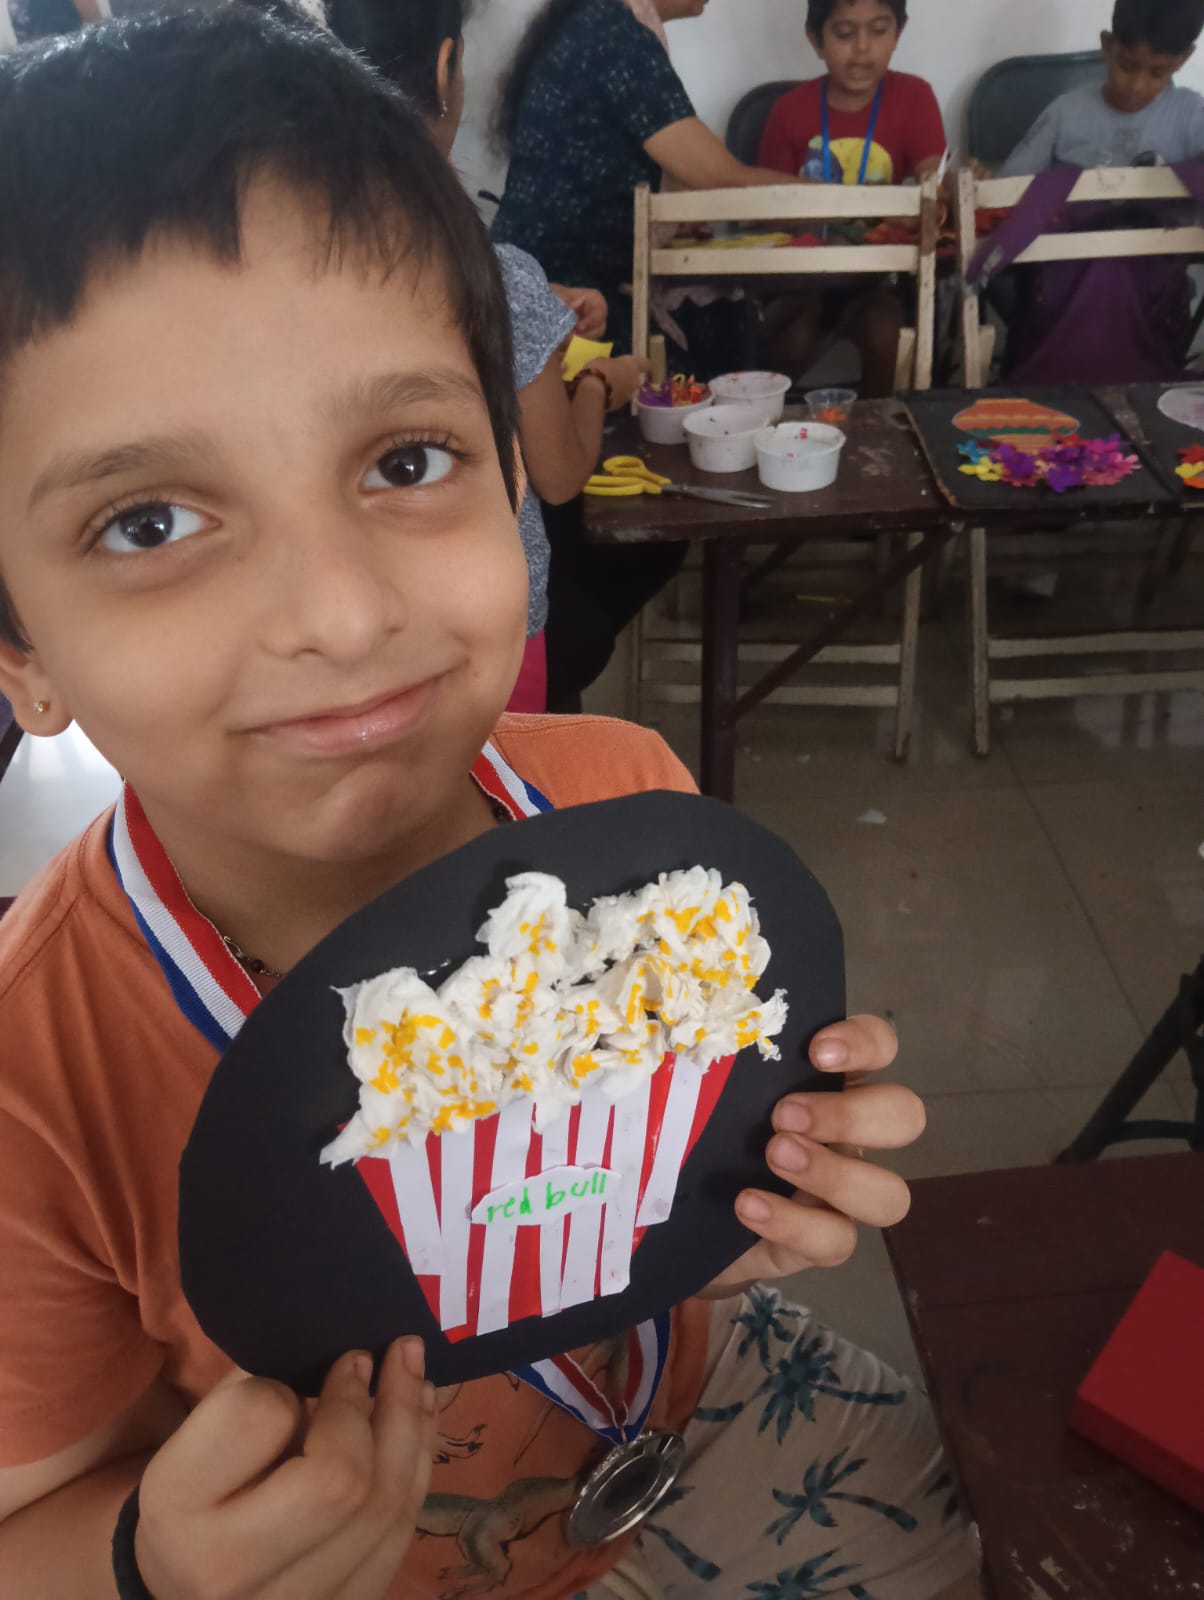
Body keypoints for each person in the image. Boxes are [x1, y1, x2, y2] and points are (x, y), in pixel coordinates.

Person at [0, 15, 979, 1600]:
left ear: (513, 483)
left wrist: (748, 1188)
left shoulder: (630, 813)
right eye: (151, 520)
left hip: (685, 1421)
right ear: (22, 657)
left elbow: (656, 1201)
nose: (340, 612)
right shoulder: (30, 1092)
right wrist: (146, 1562)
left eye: (405, 461)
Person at [326, 0, 648, 716]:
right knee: (506, 777)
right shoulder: (500, 281)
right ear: (447, 68)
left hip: (360, 620)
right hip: (487, 630)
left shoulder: (307, 275)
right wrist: (601, 382)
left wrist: (538, 303)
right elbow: (558, 476)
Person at [492, 0, 791, 356]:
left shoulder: (593, 23)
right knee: (726, 337)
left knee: (733, 320)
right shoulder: (613, 36)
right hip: (570, 303)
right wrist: (844, 200)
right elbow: (721, 179)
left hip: (537, 288)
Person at [758, 0, 945, 397]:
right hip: (801, 280)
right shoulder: (789, 111)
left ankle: (878, 421)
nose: (862, 48)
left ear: (899, 32)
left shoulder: (914, 97)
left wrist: (927, 203)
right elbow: (766, 211)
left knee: (885, 330)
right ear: (816, 40)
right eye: (844, 34)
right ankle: (775, 421)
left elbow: (934, 187)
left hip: (875, 280)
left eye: (878, 31)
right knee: (789, 339)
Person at [1002, 0, 1204, 175]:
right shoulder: (1063, 115)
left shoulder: (1193, 116)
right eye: (1126, 66)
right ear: (1107, 45)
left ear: (1183, 60)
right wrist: (985, 185)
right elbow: (1010, 188)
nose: (1137, 87)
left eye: (1157, 73)